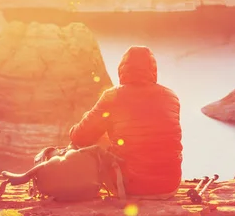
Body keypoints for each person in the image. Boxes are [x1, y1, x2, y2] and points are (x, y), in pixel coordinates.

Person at [69, 45, 183, 198]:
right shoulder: (171, 96)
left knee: (94, 132)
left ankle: (74, 187)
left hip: (130, 187)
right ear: (153, 71)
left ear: (122, 70)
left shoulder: (112, 96)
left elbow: (79, 137)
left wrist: (85, 119)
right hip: (169, 186)